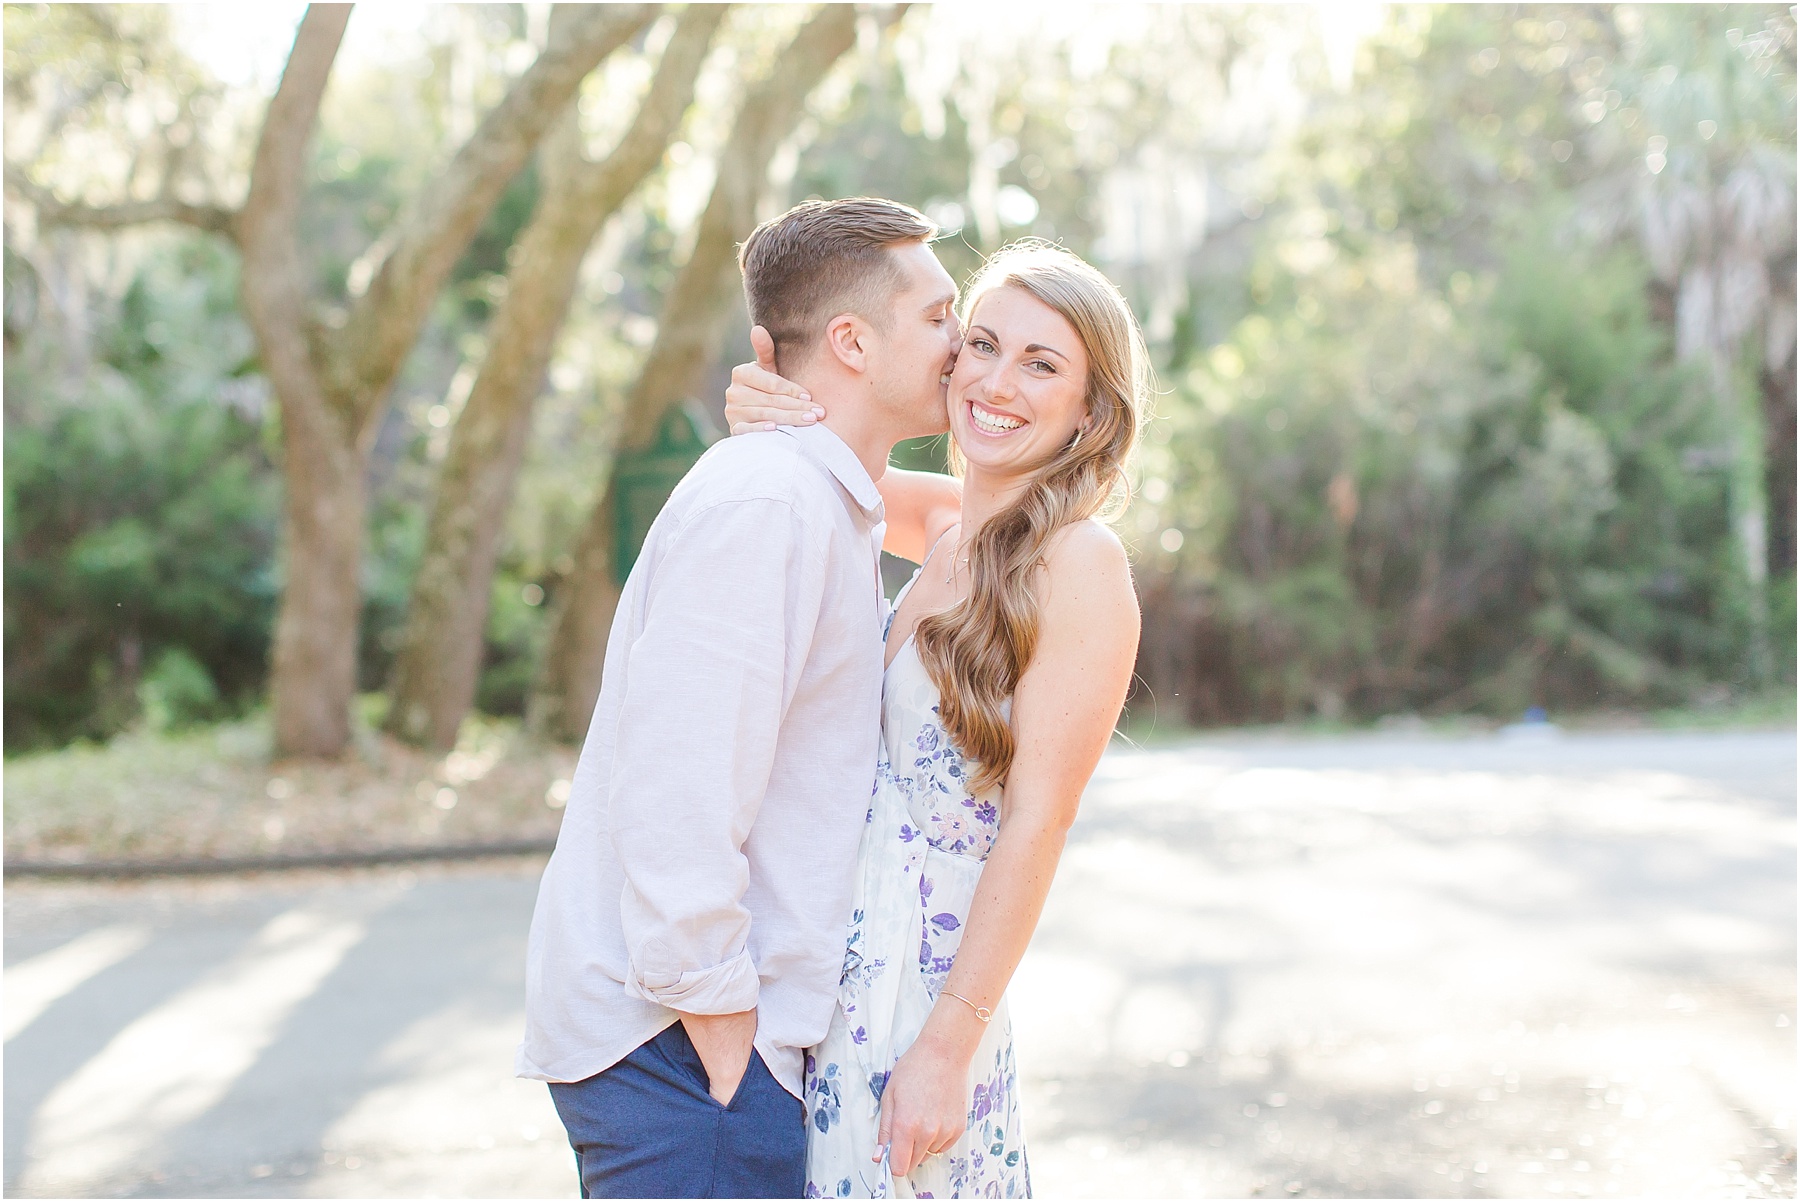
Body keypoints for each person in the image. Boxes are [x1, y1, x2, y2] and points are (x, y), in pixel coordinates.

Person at [515, 196, 963, 1199]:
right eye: (939, 315)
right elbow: (680, 784)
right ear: (851, 340)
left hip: (732, 1049)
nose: (962, 339)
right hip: (689, 1053)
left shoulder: (821, 497)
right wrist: (722, 1023)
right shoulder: (768, 503)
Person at [723, 240, 1145, 1198]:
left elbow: (1040, 825)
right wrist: (765, 397)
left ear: (1091, 408)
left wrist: (948, 1048)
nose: (998, 380)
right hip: (833, 977)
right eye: (984, 344)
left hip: (926, 1001)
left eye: (1043, 364)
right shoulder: (952, 527)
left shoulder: (1079, 565)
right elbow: (815, 451)